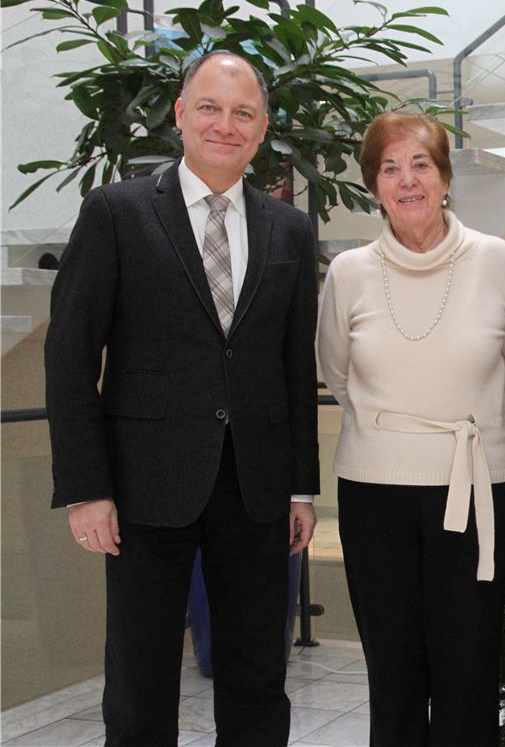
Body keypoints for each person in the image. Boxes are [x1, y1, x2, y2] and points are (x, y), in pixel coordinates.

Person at [44, 50, 319, 747]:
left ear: (262, 131)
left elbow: (294, 368)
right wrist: (86, 488)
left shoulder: (288, 227)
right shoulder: (116, 211)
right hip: (144, 487)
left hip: (256, 488)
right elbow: (71, 357)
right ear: (180, 115)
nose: (225, 125)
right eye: (210, 108)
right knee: (139, 682)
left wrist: (301, 488)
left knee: (258, 675)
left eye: (243, 113)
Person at [317, 111, 505, 746]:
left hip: (477, 488)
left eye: (421, 165)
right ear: (374, 186)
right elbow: (335, 372)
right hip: (374, 492)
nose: (407, 182)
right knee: (394, 671)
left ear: (446, 176)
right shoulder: (347, 272)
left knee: (468, 671)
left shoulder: (495, 259)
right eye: (390, 168)